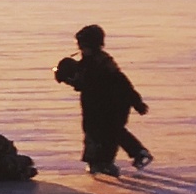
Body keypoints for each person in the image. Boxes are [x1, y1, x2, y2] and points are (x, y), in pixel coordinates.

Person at [54, 23, 151, 175]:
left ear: (94, 45)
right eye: (79, 45)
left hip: (113, 105)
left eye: (84, 46)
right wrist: (66, 76)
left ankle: (107, 161)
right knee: (98, 131)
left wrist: (136, 101)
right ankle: (100, 161)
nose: (81, 49)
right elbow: (82, 82)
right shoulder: (88, 62)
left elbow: (122, 83)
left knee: (109, 132)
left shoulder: (102, 64)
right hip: (95, 106)